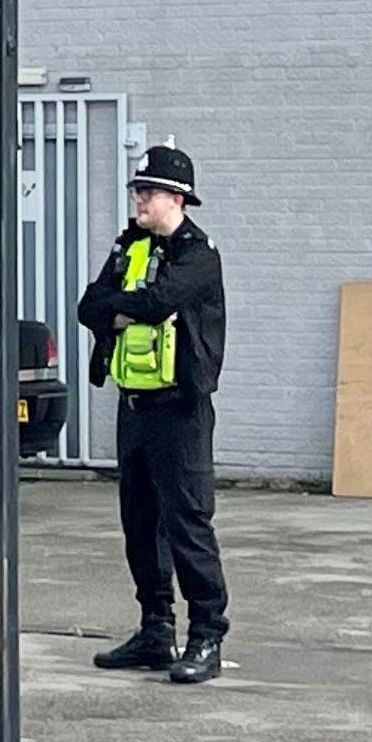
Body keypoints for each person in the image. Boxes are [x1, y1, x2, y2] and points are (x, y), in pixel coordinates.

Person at [76, 143, 230, 685]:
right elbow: (88, 306)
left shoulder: (198, 255)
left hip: (180, 411)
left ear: (176, 198)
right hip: (135, 409)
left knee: (188, 525)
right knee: (140, 526)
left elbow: (159, 302)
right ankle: (155, 631)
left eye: (147, 191)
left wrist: (119, 311)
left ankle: (206, 636)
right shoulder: (128, 248)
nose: (138, 199)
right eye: (137, 190)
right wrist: (116, 311)